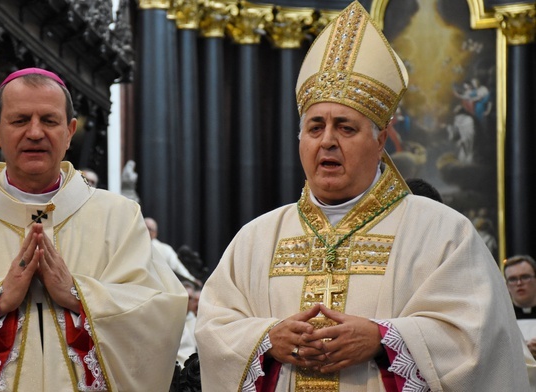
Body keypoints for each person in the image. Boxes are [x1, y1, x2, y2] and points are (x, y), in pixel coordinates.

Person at [195, 2, 536, 391]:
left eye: (345, 127)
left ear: (381, 139)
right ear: (300, 139)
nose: (327, 141)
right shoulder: (255, 239)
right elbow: (214, 328)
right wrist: (266, 338)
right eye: (315, 127)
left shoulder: (443, 232)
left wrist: (383, 338)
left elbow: (479, 338)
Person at [0, 68, 188, 391]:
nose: (35, 132)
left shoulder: (120, 218)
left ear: (70, 131)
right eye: (19, 120)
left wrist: (77, 295)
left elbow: (159, 314)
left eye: (49, 120)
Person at [144, 217, 202, 286]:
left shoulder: (165, 249)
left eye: (149, 229)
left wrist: (192, 280)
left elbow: (177, 267)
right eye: (144, 227)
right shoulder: (132, 245)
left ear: (155, 233)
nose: (146, 230)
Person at [505, 255, 536, 357]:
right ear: (506, 285)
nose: (519, 283)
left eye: (525, 277)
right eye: (512, 279)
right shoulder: (501, 317)